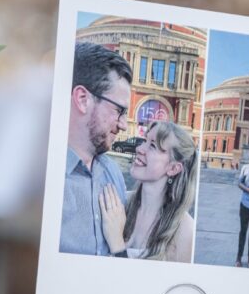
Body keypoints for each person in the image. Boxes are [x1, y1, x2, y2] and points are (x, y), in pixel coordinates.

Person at [59, 42, 132, 256]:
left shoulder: (113, 173)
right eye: (118, 110)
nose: (124, 125)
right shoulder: (45, 179)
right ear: (83, 100)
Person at [98, 121, 197, 262]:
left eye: (152, 146)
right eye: (145, 140)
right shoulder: (120, 203)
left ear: (173, 168)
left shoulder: (185, 231)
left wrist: (117, 245)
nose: (139, 148)